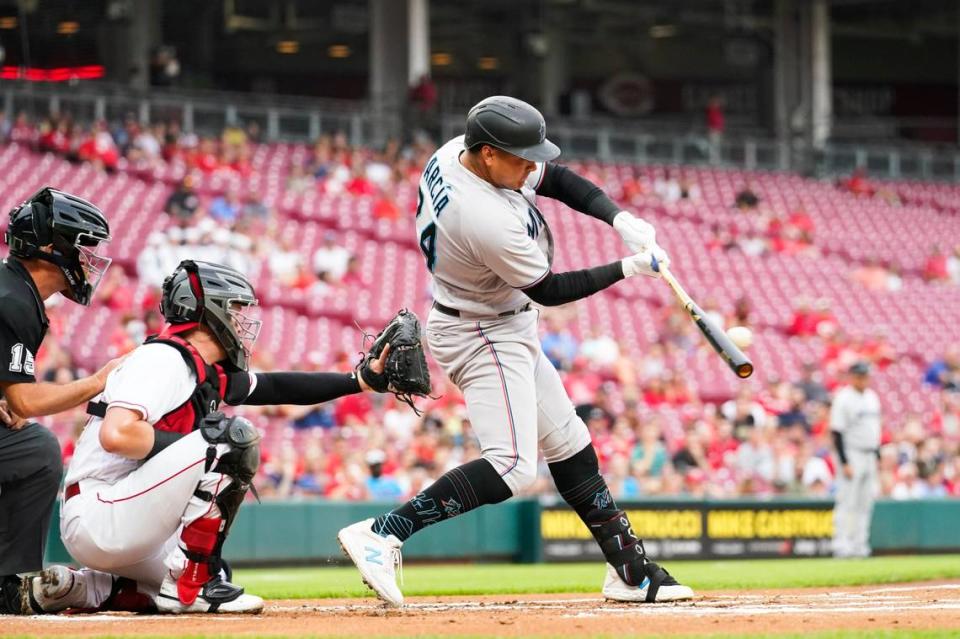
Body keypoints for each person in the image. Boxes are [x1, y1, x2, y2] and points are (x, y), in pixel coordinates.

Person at [337, 95, 692, 607]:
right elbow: (547, 289)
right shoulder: (482, 216)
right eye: (521, 157)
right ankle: (384, 532)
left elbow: (556, 179)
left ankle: (629, 571)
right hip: (482, 330)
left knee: (570, 442)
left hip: (498, 320)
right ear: (487, 154)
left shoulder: (460, 150)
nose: (532, 165)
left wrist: (617, 218)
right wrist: (627, 267)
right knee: (512, 467)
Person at [19, 260, 395, 615]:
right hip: (101, 510)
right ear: (207, 310)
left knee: (216, 570)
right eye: (232, 309)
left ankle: (88, 588)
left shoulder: (194, 367)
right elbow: (116, 434)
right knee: (228, 441)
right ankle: (194, 586)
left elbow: (275, 386)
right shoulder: (163, 359)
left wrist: (359, 380)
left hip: (123, 512)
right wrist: (202, 450)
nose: (238, 320)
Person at [0, 187, 119, 615]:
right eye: (84, 246)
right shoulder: (12, 298)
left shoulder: (16, 291)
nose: (89, 258)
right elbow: (27, 401)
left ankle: (6, 580)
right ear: (51, 248)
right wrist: (99, 381)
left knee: (33, 449)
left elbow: (16, 399)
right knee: (38, 448)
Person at [831, 361, 882, 559]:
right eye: (859, 375)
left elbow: (874, 430)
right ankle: (841, 545)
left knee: (865, 502)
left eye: (866, 375)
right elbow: (836, 432)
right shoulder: (844, 398)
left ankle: (860, 544)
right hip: (852, 453)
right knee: (847, 501)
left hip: (870, 453)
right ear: (852, 376)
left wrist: (877, 455)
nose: (863, 379)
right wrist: (844, 462)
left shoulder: (872, 397)